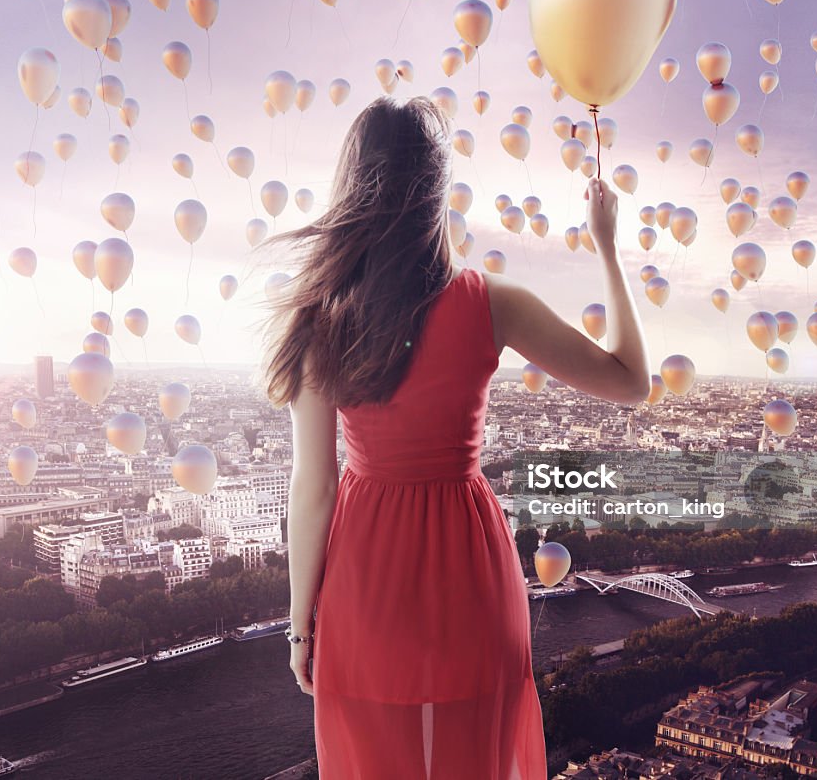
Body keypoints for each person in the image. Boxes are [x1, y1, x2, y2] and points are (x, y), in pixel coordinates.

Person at [262, 96, 649, 779]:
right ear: (437, 197)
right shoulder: (491, 302)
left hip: (366, 577)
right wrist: (608, 248)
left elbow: (314, 487)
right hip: (471, 571)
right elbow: (630, 382)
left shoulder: (320, 317)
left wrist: (300, 625)